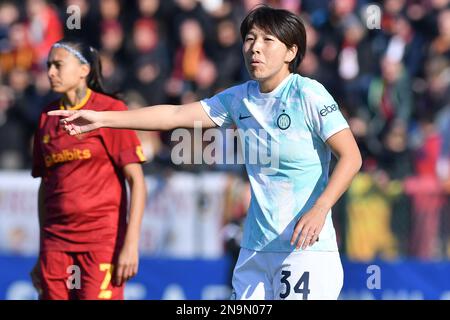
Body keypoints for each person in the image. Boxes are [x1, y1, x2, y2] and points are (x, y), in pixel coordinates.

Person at [49, 6, 362, 300]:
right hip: (255, 250)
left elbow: (351, 157)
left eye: (268, 40)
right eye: (250, 38)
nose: (255, 47)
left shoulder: (307, 93)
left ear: (291, 52)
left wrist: (321, 208)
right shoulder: (240, 98)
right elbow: (173, 117)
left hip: (304, 249)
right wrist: (102, 118)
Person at [30, 39, 147, 300]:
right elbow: (45, 185)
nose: (50, 72)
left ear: (84, 70)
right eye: (49, 65)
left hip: (101, 243)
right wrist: (43, 249)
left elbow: (136, 181)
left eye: (58, 65)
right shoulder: (46, 117)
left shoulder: (110, 112)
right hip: (56, 244)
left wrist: (130, 244)